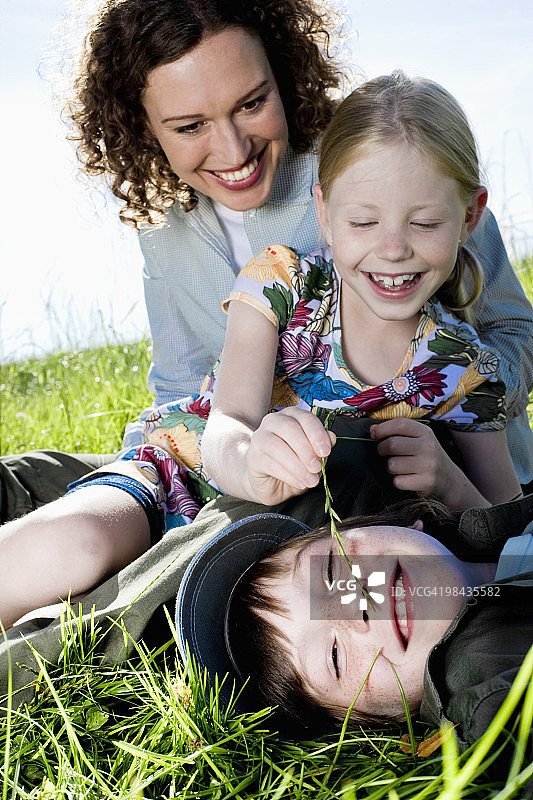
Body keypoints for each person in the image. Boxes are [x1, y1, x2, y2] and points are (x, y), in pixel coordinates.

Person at [0, 72, 522, 630]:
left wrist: (449, 482)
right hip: (184, 484)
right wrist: (250, 463)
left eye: (423, 222)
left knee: (338, 607)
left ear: (470, 216)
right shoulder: (281, 285)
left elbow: (513, 550)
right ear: (324, 213)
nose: (392, 248)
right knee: (72, 547)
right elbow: (227, 421)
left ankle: (100, 617)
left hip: (285, 563)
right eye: (363, 221)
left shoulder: (466, 371)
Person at [176, 493, 533, 779]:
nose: (357, 604)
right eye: (334, 656)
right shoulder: (498, 696)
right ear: (378, 723)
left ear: (396, 525)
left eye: (331, 569)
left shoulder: (503, 531)